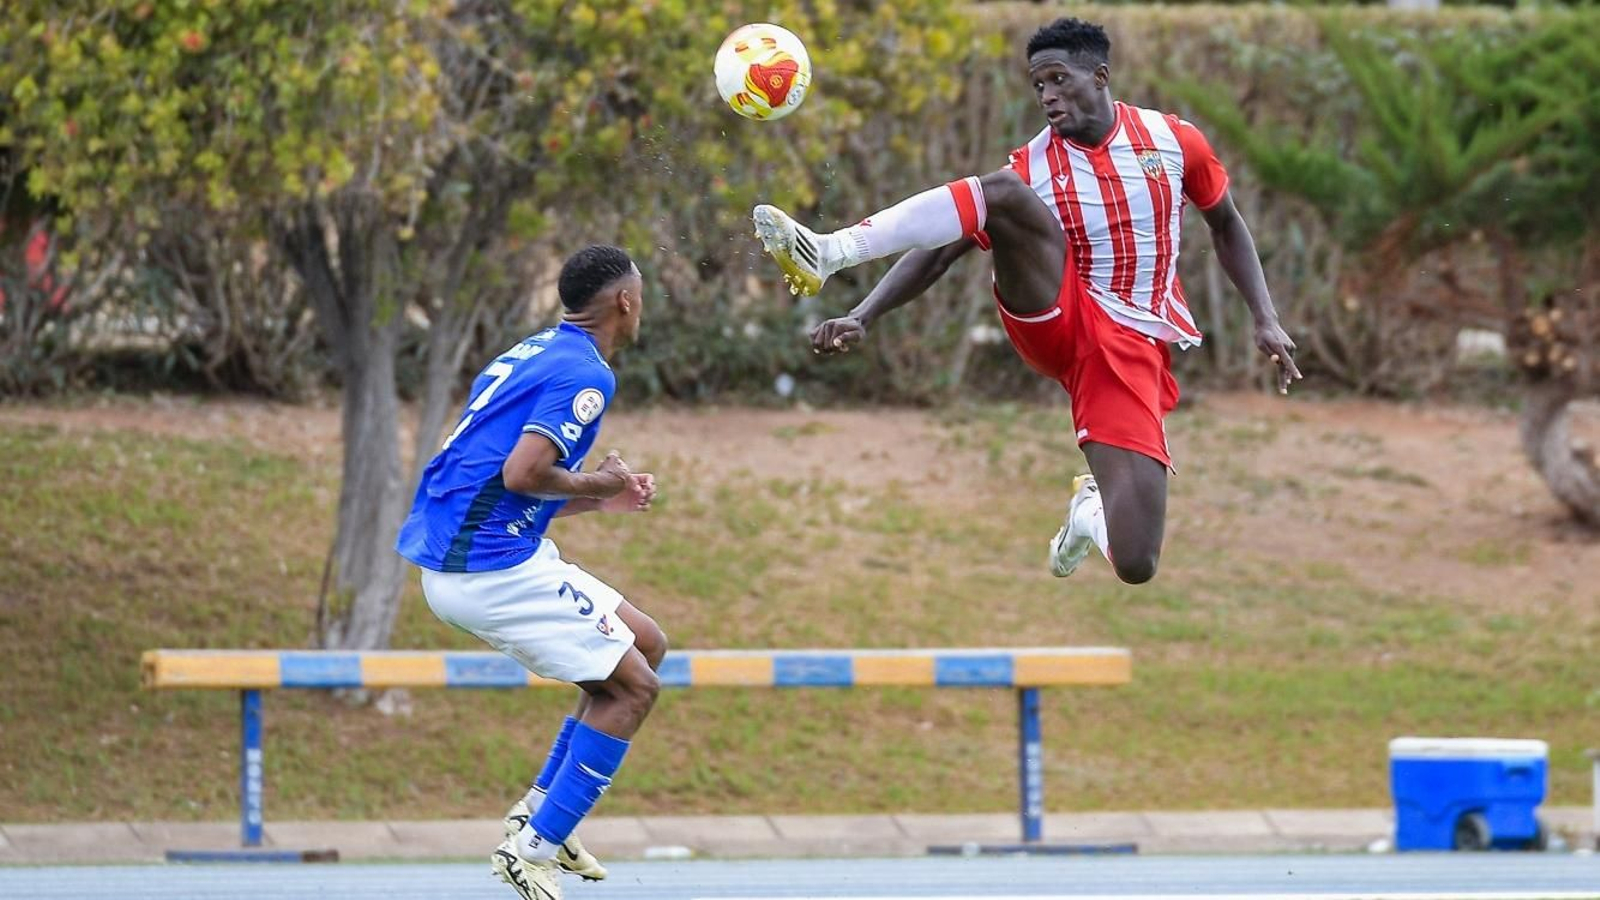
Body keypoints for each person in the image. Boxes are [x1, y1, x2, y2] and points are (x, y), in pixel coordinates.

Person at [752, 17, 1300, 586]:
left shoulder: (1174, 141)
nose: (1048, 96)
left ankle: (1088, 513)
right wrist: (863, 313)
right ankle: (832, 249)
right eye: (1038, 86)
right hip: (1055, 314)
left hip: (1131, 344)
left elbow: (1227, 224)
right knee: (1003, 194)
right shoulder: (1031, 167)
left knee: (1138, 561)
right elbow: (940, 252)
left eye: (1059, 80)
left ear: (1101, 76)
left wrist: (1266, 318)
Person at [396, 245, 663, 900]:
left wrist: (600, 497)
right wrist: (598, 478)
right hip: (486, 570)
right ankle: (533, 849)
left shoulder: (533, 352)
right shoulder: (587, 377)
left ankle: (542, 812)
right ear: (624, 301)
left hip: (483, 549)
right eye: (642, 294)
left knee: (645, 642)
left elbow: (495, 480)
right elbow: (521, 474)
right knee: (634, 689)